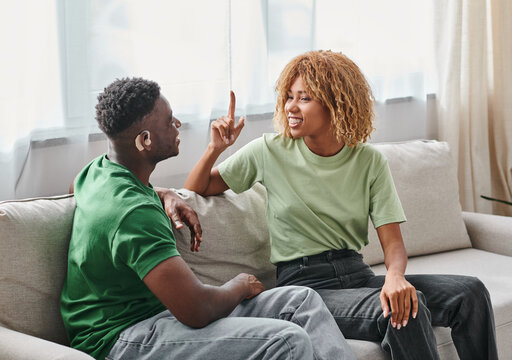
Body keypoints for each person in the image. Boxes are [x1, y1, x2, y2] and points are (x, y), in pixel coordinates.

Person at [179, 50, 499, 360]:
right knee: (404, 312)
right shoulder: (269, 150)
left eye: (304, 97)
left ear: (336, 103)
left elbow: (392, 242)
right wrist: (213, 149)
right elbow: (195, 191)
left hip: (355, 272)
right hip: (305, 285)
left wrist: (396, 277)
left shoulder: (369, 161)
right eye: (289, 96)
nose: (291, 106)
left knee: (470, 293)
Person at [60, 77, 356, 360]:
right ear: (145, 140)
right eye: (169, 120)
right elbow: (197, 309)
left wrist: (164, 193)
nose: (177, 124)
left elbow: (80, 190)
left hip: (158, 318)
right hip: (120, 338)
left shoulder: (97, 171)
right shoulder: (133, 215)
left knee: (301, 301)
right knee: (287, 341)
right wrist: (240, 284)